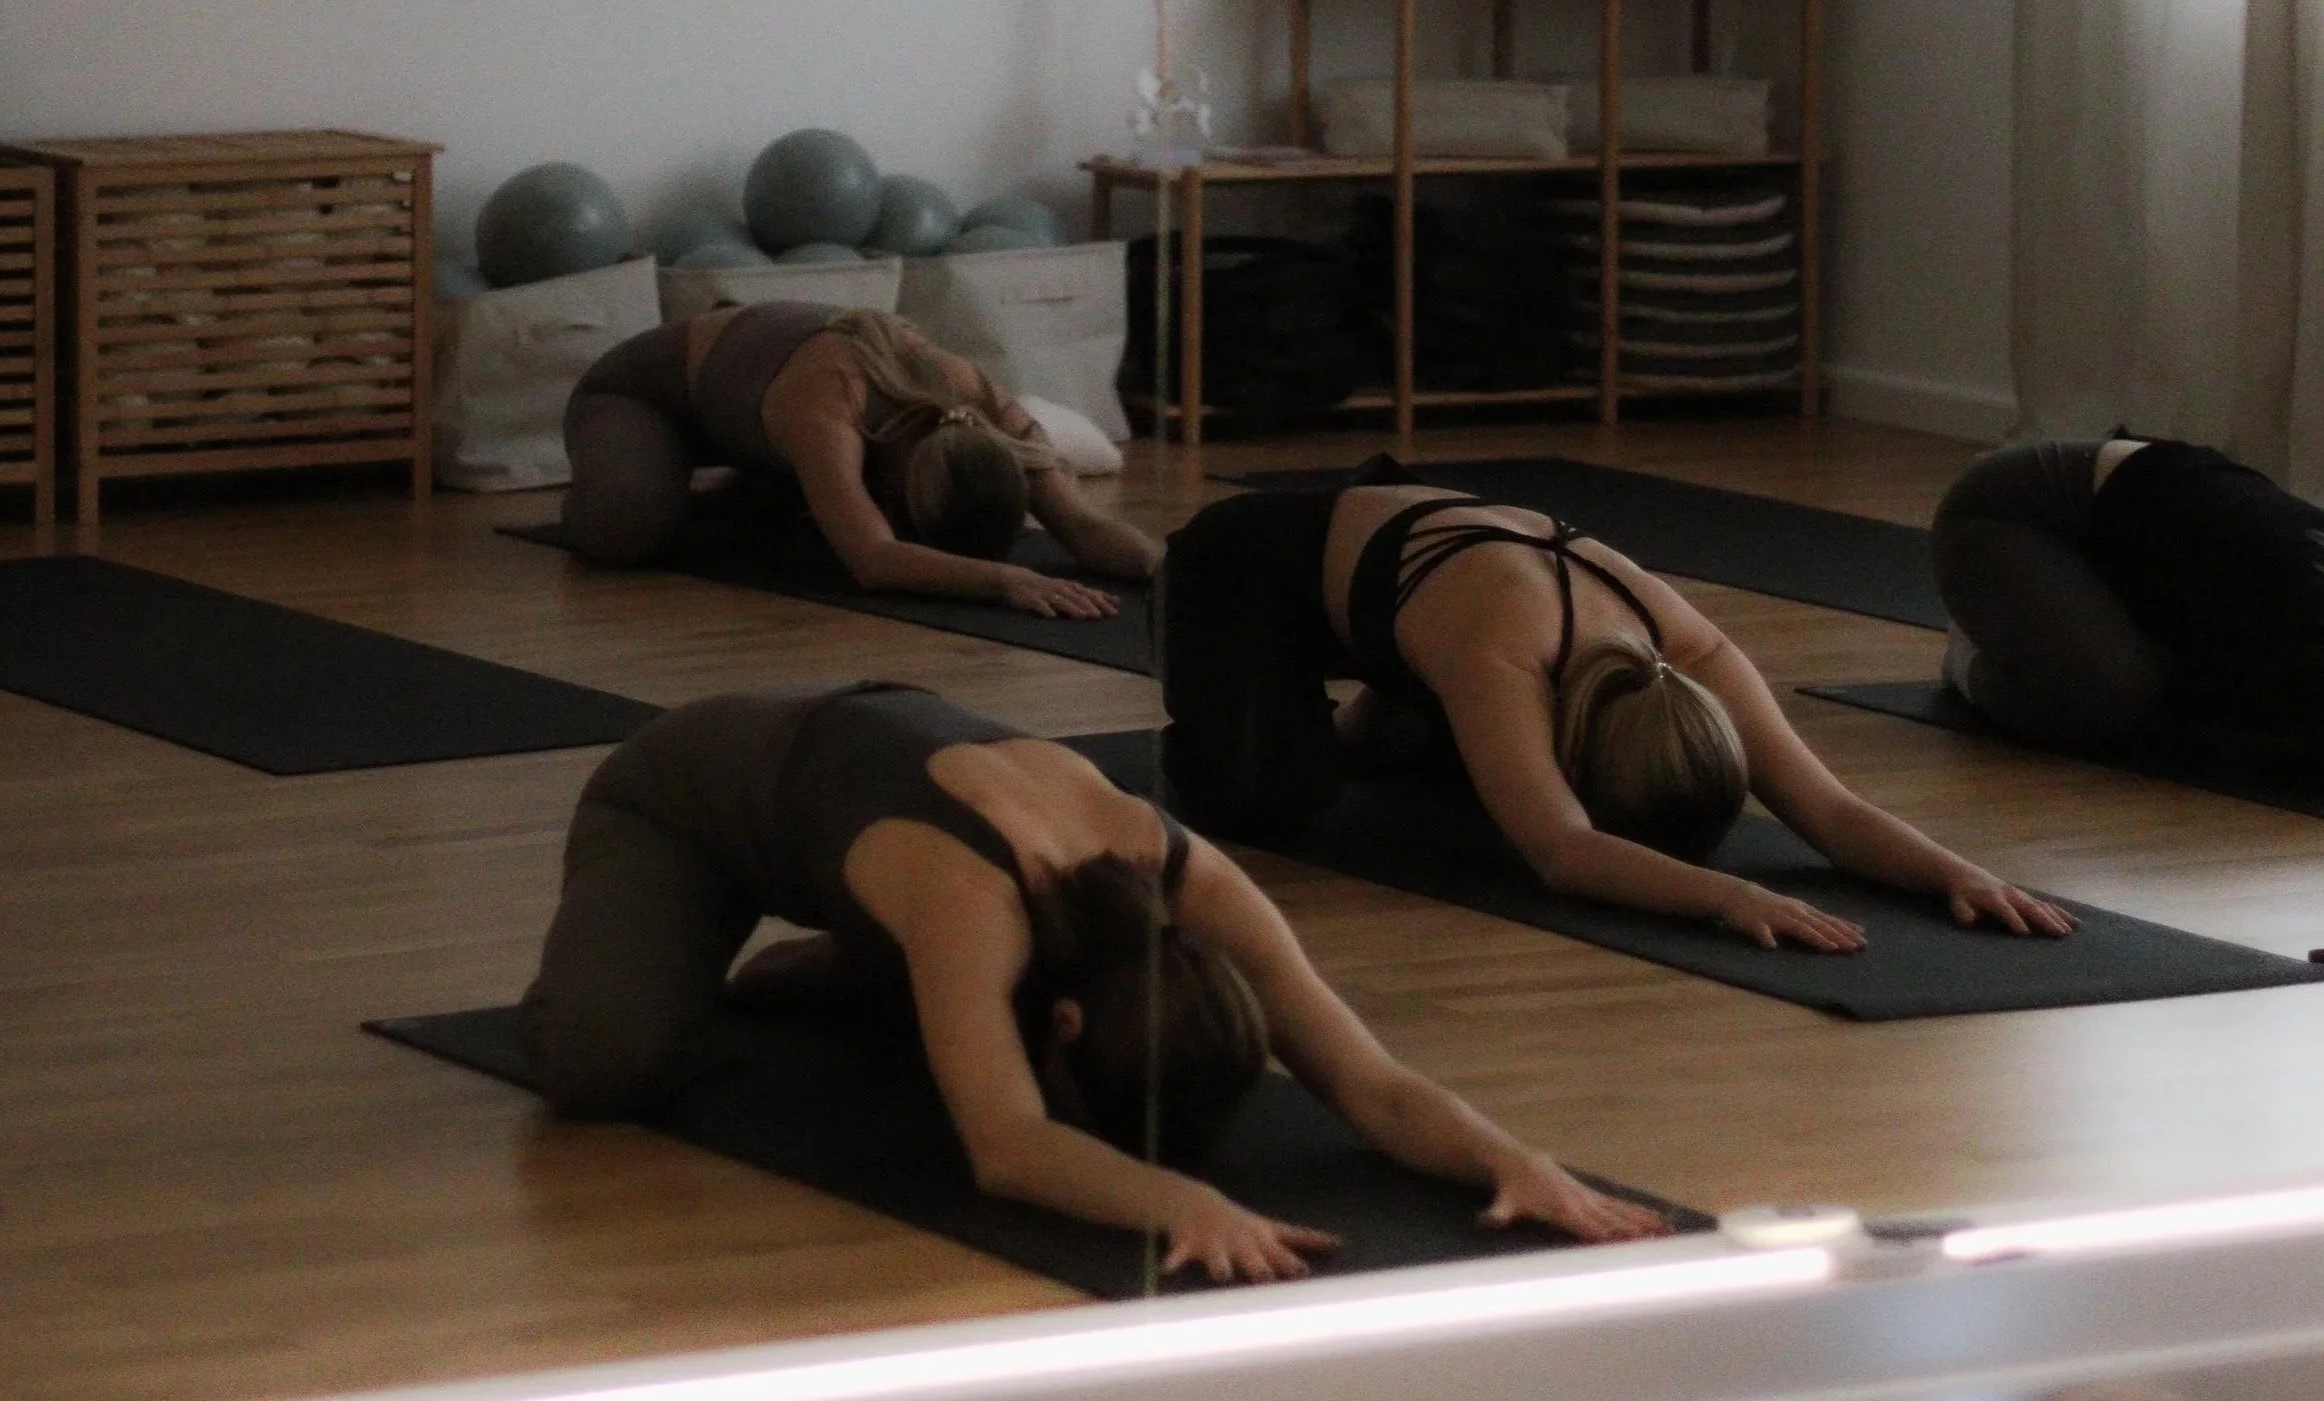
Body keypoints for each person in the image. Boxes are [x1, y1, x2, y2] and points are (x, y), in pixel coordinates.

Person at [521, 682, 1669, 1281]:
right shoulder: (975, 901)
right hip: (689, 791)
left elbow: (1368, 1081)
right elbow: (1010, 1145)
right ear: (1062, 1021)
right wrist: (1181, 1200)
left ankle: (859, 965)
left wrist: (1508, 1154)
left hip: (883, 820)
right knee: (601, 1061)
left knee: (928, 985)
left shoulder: (1194, 884)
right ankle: (858, 958)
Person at [1155, 456, 2076, 952]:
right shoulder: (1503, 656)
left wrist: (1958, 874)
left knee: (1457, 786)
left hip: (1417, 575)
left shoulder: (1693, 651)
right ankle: (1338, 704)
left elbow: (1828, 810)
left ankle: (1397, 708)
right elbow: (1564, 851)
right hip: (1249, 565)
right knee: (1271, 802)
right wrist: (1725, 896)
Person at [560, 302, 1159, 617]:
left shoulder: (981, 403)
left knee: (771, 522)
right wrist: (1006, 578)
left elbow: (1080, 524)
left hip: (761, 413)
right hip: (641, 394)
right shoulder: (830, 400)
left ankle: (747, 472)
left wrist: (1172, 568)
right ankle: (629, 468)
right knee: (627, 528)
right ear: (894, 480)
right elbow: (873, 560)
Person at [1932, 437, 2324, 760]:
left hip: (2136, 540)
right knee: (2110, 704)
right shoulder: (2300, 649)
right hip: (2010, 514)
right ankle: (1966, 654)